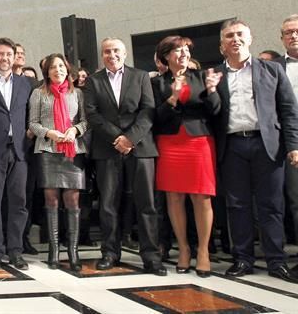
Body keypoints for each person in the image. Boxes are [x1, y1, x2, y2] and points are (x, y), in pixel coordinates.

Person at [214, 20, 298, 283]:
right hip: (232, 146)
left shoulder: (271, 70)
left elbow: (288, 110)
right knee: (237, 205)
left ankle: (276, 260)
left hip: (267, 145)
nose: (235, 39)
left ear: (249, 39)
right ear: (222, 45)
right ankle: (242, 259)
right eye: (229, 36)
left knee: (272, 205)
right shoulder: (214, 75)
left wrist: (294, 145)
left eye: (240, 35)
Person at [83, 38, 166, 275]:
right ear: (102, 55)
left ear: (125, 53)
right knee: (109, 205)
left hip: (140, 148)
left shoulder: (140, 77)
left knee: (147, 204)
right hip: (107, 148)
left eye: (116, 50)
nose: (112, 55)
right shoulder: (93, 81)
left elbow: (148, 110)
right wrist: (117, 138)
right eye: (107, 51)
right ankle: (110, 252)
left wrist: (131, 139)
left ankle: (151, 255)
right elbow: (92, 114)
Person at [151, 36, 222, 278]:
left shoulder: (202, 77)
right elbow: (155, 117)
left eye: (185, 49)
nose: (182, 53)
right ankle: (183, 249)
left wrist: (212, 89)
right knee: (174, 197)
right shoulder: (157, 83)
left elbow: (215, 111)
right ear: (166, 56)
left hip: (198, 141)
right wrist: (172, 97)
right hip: (169, 143)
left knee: (201, 197)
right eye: (176, 50)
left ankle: (203, 252)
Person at [29, 53, 89, 271]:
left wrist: (75, 130)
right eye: (53, 67)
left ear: (67, 69)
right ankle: (54, 250)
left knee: (72, 202)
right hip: (47, 150)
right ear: (47, 72)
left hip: (73, 151)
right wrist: (49, 133)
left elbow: (85, 121)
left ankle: (73, 250)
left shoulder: (78, 94)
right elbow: (33, 123)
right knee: (52, 201)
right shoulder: (38, 93)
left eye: (61, 67)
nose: (58, 70)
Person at [0, 38, 33, 271]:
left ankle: (15, 251)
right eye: (1, 54)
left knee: (18, 203)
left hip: (20, 150)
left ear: (14, 57)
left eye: (9, 55)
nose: (5, 58)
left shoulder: (26, 84)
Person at [276, 15, 298, 262]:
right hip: (292, 142)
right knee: (296, 200)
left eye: (297, 31)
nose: (294, 36)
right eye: (289, 32)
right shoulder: (275, 68)